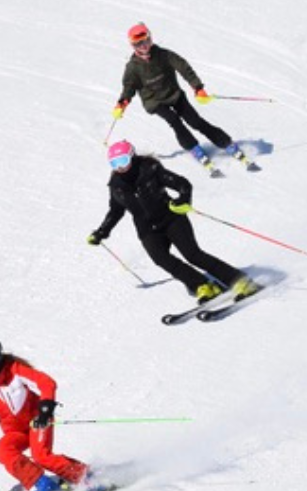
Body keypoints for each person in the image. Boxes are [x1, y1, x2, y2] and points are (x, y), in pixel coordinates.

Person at [88, 140, 257, 301]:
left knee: (193, 255)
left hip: (171, 218)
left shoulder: (150, 169)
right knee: (161, 259)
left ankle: (240, 280)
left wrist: (183, 199)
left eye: (123, 161)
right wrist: (102, 232)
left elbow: (182, 184)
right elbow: (115, 211)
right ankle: (202, 285)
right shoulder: (116, 185)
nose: (120, 167)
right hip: (147, 228)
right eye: (114, 164)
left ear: (132, 156)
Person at [0, 333, 90, 491]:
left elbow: (46, 383)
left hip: (38, 421)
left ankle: (85, 476)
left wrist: (45, 409)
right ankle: (43, 483)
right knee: (4, 450)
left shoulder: (15, 370)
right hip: (15, 432)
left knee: (41, 456)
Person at [110, 22, 247, 170]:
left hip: (174, 94)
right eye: (138, 44)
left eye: (145, 41)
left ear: (150, 38)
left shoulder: (164, 55)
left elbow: (183, 67)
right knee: (174, 120)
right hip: (154, 102)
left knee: (195, 121)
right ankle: (194, 148)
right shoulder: (133, 67)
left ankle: (226, 143)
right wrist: (122, 103)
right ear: (133, 46)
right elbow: (129, 87)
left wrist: (197, 87)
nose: (143, 46)